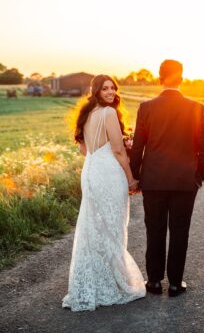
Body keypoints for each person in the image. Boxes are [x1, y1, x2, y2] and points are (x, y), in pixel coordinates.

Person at [62, 75, 146, 312]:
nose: (110, 92)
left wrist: (105, 151)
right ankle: (111, 283)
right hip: (108, 174)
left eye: (112, 88)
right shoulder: (108, 113)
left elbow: (84, 149)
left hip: (90, 170)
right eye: (105, 88)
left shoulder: (86, 114)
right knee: (112, 226)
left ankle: (90, 284)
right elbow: (118, 151)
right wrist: (131, 178)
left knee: (93, 227)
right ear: (96, 91)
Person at [130, 60, 204, 297]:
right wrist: (198, 177)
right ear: (182, 78)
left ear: (160, 78)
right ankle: (175, 284)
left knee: (154, 231)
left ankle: (154, 282)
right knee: (180, 232)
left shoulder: (146, 107)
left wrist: (135, 177)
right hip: (185, 182)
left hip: (153, 181)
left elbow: (138, 148)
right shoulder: (196, 107)